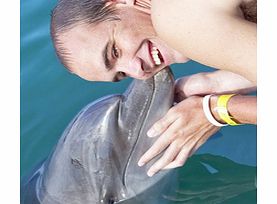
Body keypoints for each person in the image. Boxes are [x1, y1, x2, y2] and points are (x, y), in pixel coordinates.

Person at [50, 0, 257, 176]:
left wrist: (215, 112)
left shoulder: (172, 21)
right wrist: (216, 83)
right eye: (121, 74)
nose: (138, 72)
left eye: (114, 51)